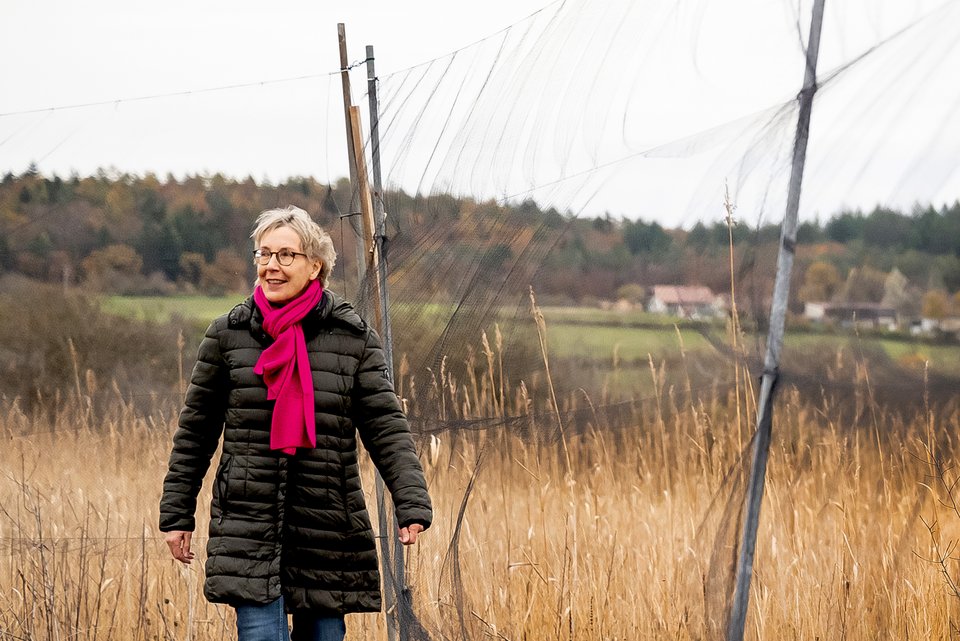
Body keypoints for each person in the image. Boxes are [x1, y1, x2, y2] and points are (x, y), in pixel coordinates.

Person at [160, 205, 432, 641]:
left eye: (286, 255)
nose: (271, 266)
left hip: (326, 524)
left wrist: (410, 500)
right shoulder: (227, 335)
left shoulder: (352, 338)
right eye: (263, 254)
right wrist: (177, 513)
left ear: (315, 265)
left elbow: (386, 426)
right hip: (248, 521)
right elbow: (195, 432)